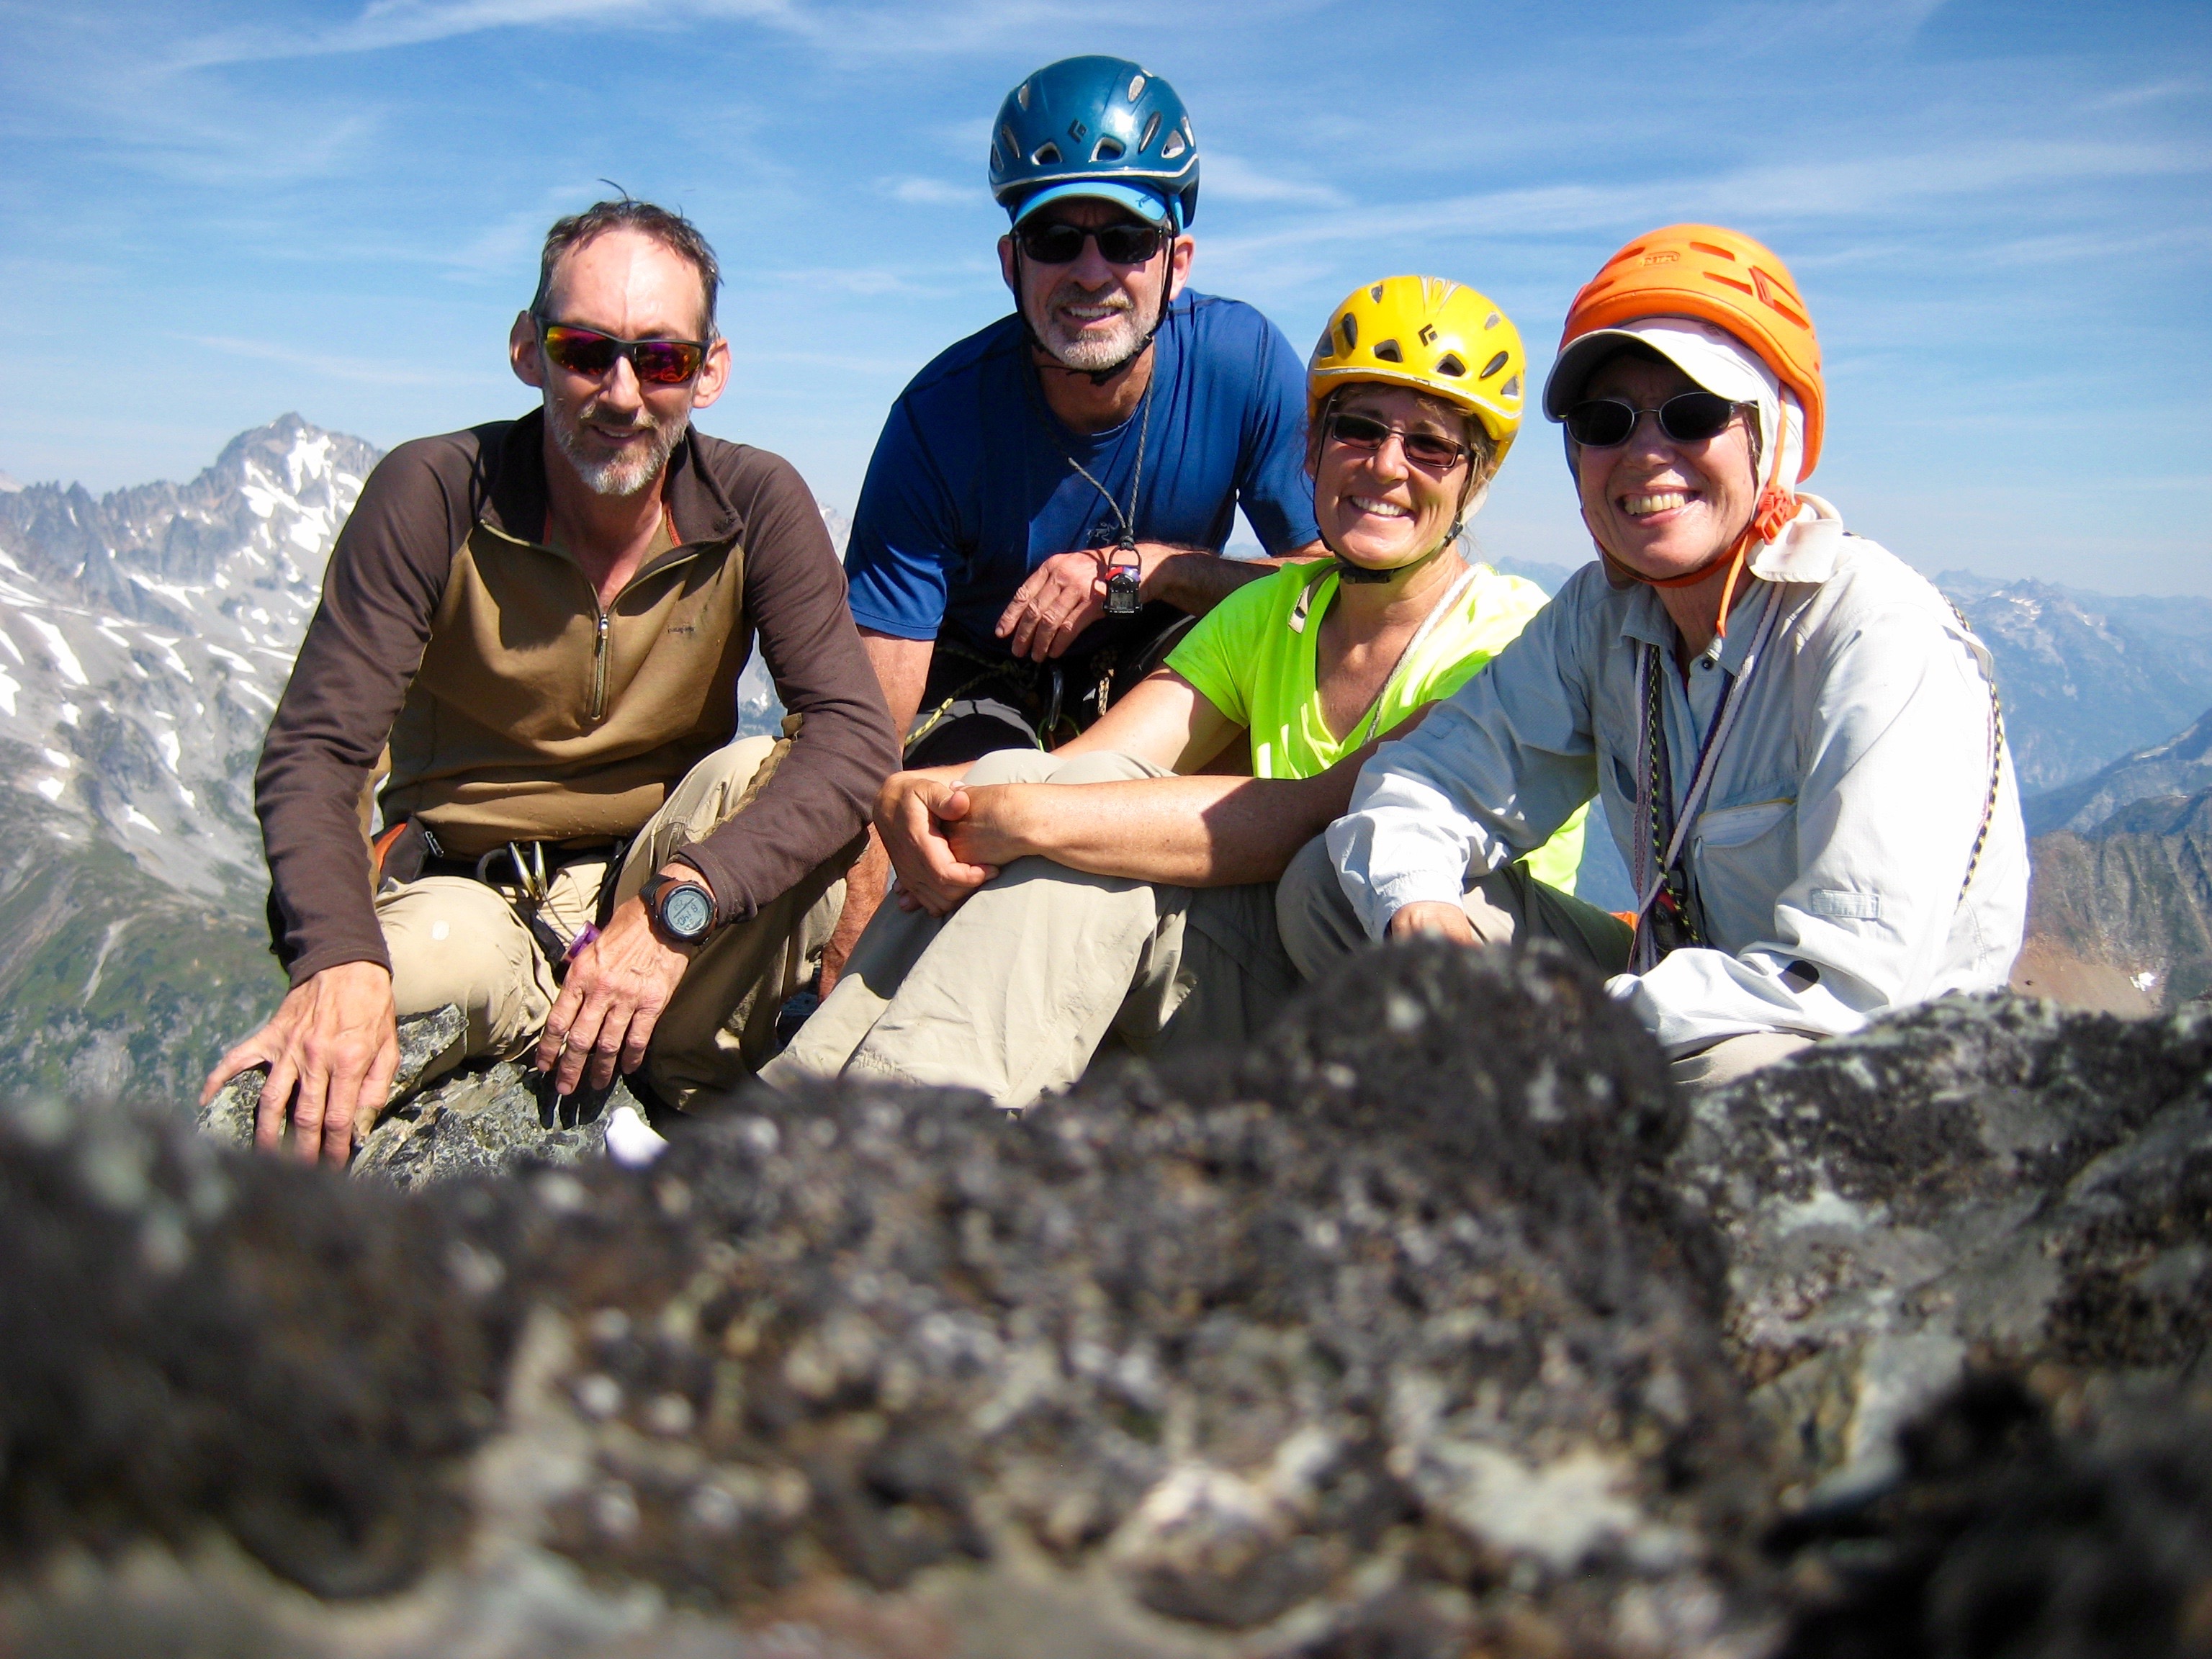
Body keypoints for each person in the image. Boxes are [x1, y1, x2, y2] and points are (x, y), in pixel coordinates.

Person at [765, 276, 1586, 1107]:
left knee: (1068, 837)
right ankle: (796, 1123)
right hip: (1269, 987)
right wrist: (944, 795)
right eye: (1359, 430)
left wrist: (1028, 814)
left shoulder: (1510, 639)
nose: (1386, 466)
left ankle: (871, 1158)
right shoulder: (1273, 610)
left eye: (1432, 448)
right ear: (1311, 451)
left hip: (1427, 1025)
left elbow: (1319, 810)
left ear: (1473, 480)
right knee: (1033, 808)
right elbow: (1099, 762)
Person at [202, 198, 899, 1162]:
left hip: (666, 887)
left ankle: (747, 1131)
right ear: (528, 351)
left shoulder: (755, 503)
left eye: (661, 359)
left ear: (711, 370)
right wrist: (337, 958)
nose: (622, 393)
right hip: (467, 903)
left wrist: (675, 913)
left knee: (782, 784)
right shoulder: (437, 493)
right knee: (316, 1069)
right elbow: (319, 753)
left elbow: (855, 737)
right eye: (586, 352)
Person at [1278, 225, 2028, 1089]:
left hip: (1859, 1065)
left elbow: (1851, 987)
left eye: (1694, 412)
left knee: (1761, 1069)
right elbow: (1427, 781)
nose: (1643, 451)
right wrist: (1418, 904)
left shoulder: (1876, 637)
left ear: (1774, 435)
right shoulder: (1605, 616)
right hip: (1661, 999)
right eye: (1605, 420)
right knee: (1335, 891)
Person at [823, 55, 1325, 982]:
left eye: (1127, 237)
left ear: (1177, 261)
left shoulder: (1242, 363)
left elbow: (1331, 596)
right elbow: (873, 724)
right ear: (1012, 261)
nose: (1091, 271)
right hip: (987, 694)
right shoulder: (939, 420)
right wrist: (850, 940)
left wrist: (1149, 569)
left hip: (1158, 682)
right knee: (964, 825)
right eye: (1056, 236)